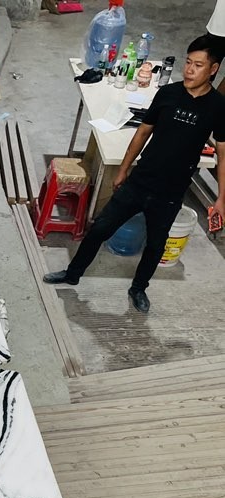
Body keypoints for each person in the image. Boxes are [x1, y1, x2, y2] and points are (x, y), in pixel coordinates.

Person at [44, 36, 225, 313]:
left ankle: (138, 288)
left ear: (213, 69)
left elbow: (222, 153)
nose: (189, 69)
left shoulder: (218, 107)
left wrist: (221, 198)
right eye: (188, 62)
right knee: (100, 229)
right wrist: (124, 169)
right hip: (140, 181)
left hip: (171, 191)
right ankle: (72, 273)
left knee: (155, 245)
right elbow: (142, 133)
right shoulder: (168, 94)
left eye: (198, 65)